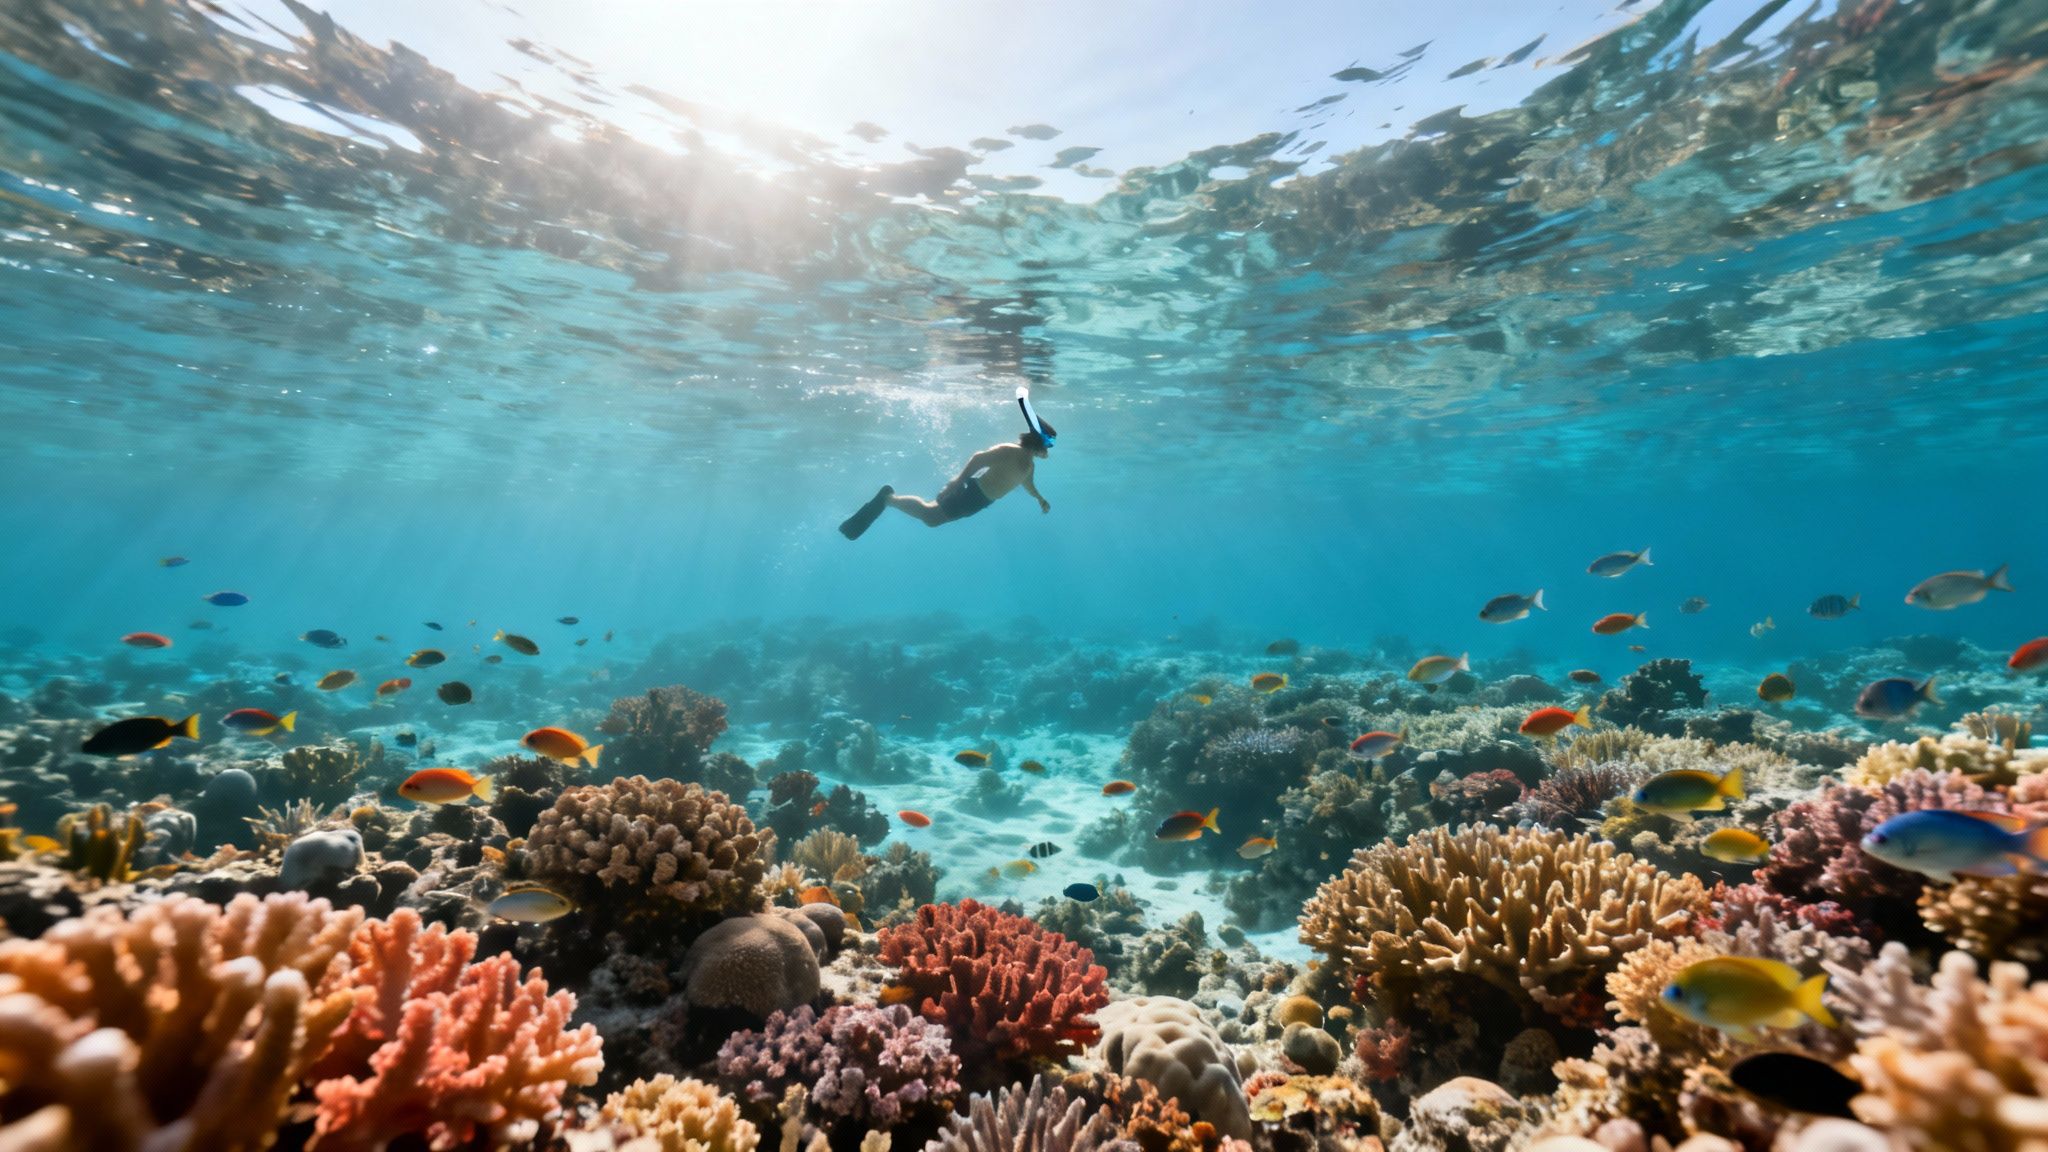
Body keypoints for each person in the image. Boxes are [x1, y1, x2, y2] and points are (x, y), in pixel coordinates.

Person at [839, 390, 1056, 540]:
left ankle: (889, 499)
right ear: (1038, 441)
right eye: (1049, 443)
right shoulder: (1010, 451)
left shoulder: (1029, 466)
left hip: (980, 502)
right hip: (972, 493)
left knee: (932, 518)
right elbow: (979, 458)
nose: (1049, 450)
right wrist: (958, 481)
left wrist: (1040, 498)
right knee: (931, 516)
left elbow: (1028, 484)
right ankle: (887, 499)